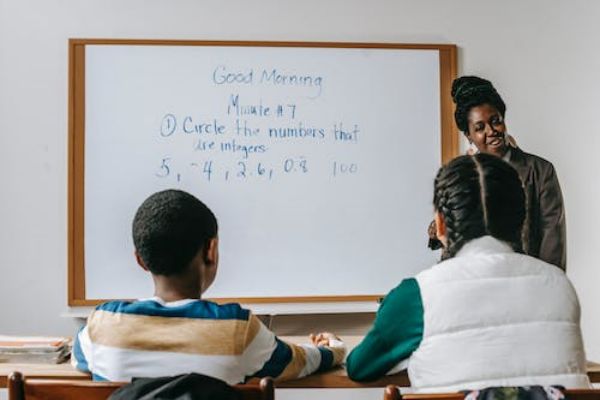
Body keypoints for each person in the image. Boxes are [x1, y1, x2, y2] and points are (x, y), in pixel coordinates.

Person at [347, 154, 589, 392]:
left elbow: (359, 367)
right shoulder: (559, 285)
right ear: (521, 219)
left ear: (440, 224)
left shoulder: (416, 296)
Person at [72, 189, 345, 383]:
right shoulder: (238, 331)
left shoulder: (102, 328)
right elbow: (304, 361)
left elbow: (76, 357)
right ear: (211, 250)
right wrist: (334, 347)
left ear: (140, 260)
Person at [446, 76, 566, 270]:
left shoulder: (541, 171)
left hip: (527, 279)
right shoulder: (462, 177)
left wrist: (545, 281)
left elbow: (552, 240)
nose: (491, 131)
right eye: (480, 128)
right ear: (468, 135)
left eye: (496, 121)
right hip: (477, 279)